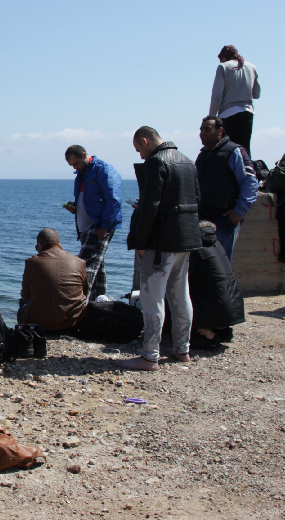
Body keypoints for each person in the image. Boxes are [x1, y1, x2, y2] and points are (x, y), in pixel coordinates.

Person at [125, 126, 202, 371]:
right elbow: (197, 198)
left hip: (159, 242)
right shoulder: (187, 161)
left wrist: (140, 242)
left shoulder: (156, 162)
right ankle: (182, 349)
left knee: (152, 298)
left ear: (145, 141)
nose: (140, 156)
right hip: (185, 237)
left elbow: (151, 206)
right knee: (180, 295)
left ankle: (149, 355)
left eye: (139, 149)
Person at [195, 116, 259, 260]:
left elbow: (250, 182)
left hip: (224, 220)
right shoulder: (202, 155)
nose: (202, 133)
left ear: (220, 131)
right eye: (201, 129)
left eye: (207, 129)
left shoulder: (234, 151)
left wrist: (240, 210)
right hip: (203, 218)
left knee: (221, 264)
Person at [63, 144, 122, 298]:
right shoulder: (81, 175)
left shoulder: (103, 170)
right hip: (85, 227)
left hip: (98, 225)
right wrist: (75, 207)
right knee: (97, 268)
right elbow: (86, 200)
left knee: (85, 267)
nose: (76, 167)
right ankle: (98, 302)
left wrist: (104, 226)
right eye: (72, 165)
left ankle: (78, 303)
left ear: (84, 155)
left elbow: (114, 200)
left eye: (76, 163)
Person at [17, 228, 88, 331]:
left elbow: (25, 295)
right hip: (73, 323)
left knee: (22, 303)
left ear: (40, 245)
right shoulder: (79, 262)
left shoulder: (32, 262)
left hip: (40, 324)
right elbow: (85, 292)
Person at [209, 45, 260, 154]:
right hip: (247, 112)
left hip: (228, 114)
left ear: (223, 58)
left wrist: (211, 118)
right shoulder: (252, 67)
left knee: (228, 150)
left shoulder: (223, 67)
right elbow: (256, 94)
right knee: (245, 149)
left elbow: (217, 96)